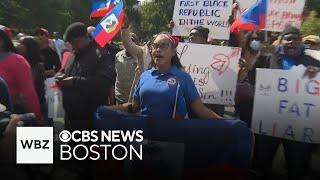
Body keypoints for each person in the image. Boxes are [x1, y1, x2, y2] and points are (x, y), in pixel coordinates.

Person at [248, 26, 320, 180]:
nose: (291, 42)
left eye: (295, 38)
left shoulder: (313, 63)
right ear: (281, 41)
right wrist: (259, 57)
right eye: (288, 38)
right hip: (269, 121)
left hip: (298, 124)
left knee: (296, 166)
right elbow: (253, 79)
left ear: (301, 41)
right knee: (263, 163)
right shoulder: (268, 58)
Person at [109, 33, 222, 120]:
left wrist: (228, 123)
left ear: (173, 52)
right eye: (155, 46)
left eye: (163, 46)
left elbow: (200, 109)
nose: (158, 49)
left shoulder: (183, 77)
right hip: (146, 137)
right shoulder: (144, 76)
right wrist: (108, 109)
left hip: (173, 140)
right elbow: (134, 107)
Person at [56, 22, 116, 131]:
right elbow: (65, 71)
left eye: (75, 42)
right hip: (71, 118)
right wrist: (60, 76)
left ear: (85, 37)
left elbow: (103, 83)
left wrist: (74, 81)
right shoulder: (73, 54)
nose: (73, 46)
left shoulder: (101, 54)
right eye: (70, 43)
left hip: (90, 120)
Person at [0, 28, 42, 120]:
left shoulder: (18, 61)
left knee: (41, 134)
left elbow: (29, 92)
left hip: (13, 116)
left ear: (2, 41)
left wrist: (37, 117)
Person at [17, 36, 46, 114]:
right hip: (19, 105)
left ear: (29, 47)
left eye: (21, 43)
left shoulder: (38, 66)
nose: (18, 45)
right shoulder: (17, 62)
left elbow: (36, 88)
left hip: (33, 104)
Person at [115, 33, 139, 104]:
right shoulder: (118, 55)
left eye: (131, 41)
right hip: (119, 97)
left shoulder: (140, 57)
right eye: (126, 41)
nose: (128, 43)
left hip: (135, 99)